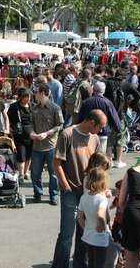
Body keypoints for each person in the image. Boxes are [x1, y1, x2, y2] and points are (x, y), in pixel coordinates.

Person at [51, 109, 107, 268]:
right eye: (100, 127)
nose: (101, 131)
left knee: (84, 233)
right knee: (67, 234)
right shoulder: (67, 134)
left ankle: (80, 264)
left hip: (88, 192)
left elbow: (98, 165)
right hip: (70, 191)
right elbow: (57, 163)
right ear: (91, 122)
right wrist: (65, 185)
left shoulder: (94, 139)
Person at [31, 83, 64, 205]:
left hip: (51, 145)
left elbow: (60, 125)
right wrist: (32, 133)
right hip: (37, 146)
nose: (34, 95)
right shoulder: (34, 109)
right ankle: (38, 193)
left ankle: (54, 195)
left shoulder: (55, 108)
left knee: (53, 173)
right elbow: (30, 124)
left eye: (36, 92)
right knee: (35, 173)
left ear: (43, 93)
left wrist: (48, 133)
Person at [77, 168, 111, 268]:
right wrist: (102, 226)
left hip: (88, 237)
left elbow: (80, 217)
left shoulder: (84, 197)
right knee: (99, 264)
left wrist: (85, 227)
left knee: (91, 263)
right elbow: (100, 214)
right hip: (100, 240)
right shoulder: (102, 199)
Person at [76, 81, 120, 156]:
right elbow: (115, 119)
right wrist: (118, 130)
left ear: (93, 89)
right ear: (104, 91)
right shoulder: (107, 102)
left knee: (88, 155)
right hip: (102, 133)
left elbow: (80, 119)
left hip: (88, 133)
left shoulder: (86, 102)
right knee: (100, 157)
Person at [7, 87, 34, 181]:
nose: (28, 99)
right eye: (26, 96)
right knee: (21, 155)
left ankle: (26, 172)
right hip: (19, 134)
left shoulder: (32, 106)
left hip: (31, 134)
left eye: (29, 96)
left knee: (29, 155)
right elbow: (7, 118)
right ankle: (21, 174)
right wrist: (9, 128)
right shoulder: (14, 106)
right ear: (21, 97)